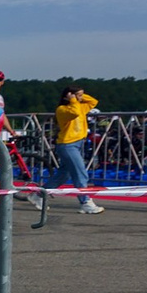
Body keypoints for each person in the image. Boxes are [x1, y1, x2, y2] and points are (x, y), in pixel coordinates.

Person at [51, 82, 102, 214]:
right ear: (69, 96)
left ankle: (39, 195)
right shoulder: (62, 109)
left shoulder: (80, 106)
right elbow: (73, 113)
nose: (81, 98)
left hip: (77, 143)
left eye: (81, 95)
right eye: (79, 95)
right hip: (68, 144)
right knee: (80, 173)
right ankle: (85, 202)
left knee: (63, 175)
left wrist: (79, 95)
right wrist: (72, 99)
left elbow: (93, 102)